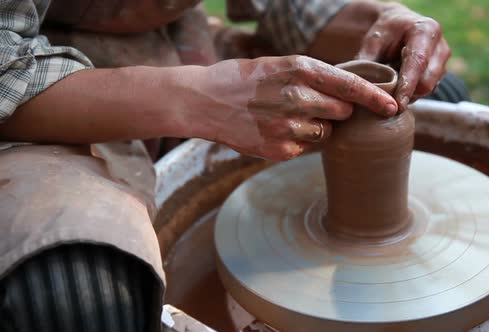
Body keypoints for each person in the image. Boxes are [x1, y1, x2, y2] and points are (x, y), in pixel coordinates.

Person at [0, 1, 450, 331]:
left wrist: (380, 22)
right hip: (39, 95)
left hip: (178, 41)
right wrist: (198, 100)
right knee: (76, 287)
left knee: (441, 94)